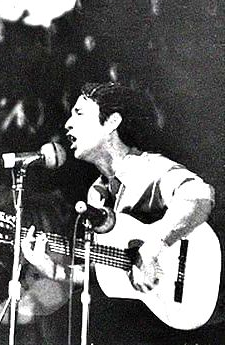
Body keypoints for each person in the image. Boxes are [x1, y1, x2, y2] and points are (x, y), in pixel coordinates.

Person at [21, 82, 216, 344]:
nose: (67, 124)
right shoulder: (97, 195)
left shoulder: (147, 169)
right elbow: (108, 268)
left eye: (79, 114)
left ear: (112, 121)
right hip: (162, 318)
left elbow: (200, 196)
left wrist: (153, 247)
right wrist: (53, 269)